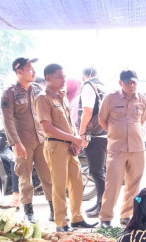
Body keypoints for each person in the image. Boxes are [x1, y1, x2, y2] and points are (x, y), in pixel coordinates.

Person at [35, 63, 96, 232]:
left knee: (77, 183)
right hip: (55, 146)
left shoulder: (62, 96)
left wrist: (75, 141)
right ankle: (61, 222)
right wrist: (73, 139)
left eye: (64, 76)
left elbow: (70, 122)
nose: (64, 80)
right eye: (59, 77)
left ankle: (77, 218)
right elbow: (47, 128)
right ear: (48, 78)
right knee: (59, 185)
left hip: (69, 146)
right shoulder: (42, 98)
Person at [0, 57, 54, 223]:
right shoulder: (10, 93)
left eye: (33, 68)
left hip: (41, 139)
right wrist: (16, 143)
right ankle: (28, 211)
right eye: (30, 68)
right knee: (25, 177)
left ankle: (54, 209)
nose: (34, 71)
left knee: (48, 176)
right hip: (22, 141)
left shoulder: (37, 89)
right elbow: (7, 120)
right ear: (19, 72)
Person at [98, 70, 146, 228]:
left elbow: (143, 120)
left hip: (137, 148)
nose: (132, 85)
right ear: (121, 83)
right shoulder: (110, 98)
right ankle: (106, 217)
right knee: (112, 183)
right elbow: (101, 119)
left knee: (134, 185)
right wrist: (115, 133)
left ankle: (126, 215)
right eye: (128, 82)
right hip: (117, 148)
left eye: (134, 82)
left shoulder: (142, 99)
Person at [79, 67, 106, 218]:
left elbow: (87, 111)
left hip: (94, 135)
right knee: (101, 171)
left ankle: (102, 206)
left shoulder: (88, 86)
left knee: (97, 172)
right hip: (105, 133)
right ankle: (100, 202)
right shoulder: (103, 86)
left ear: (83, 77)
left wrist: (82, 133)